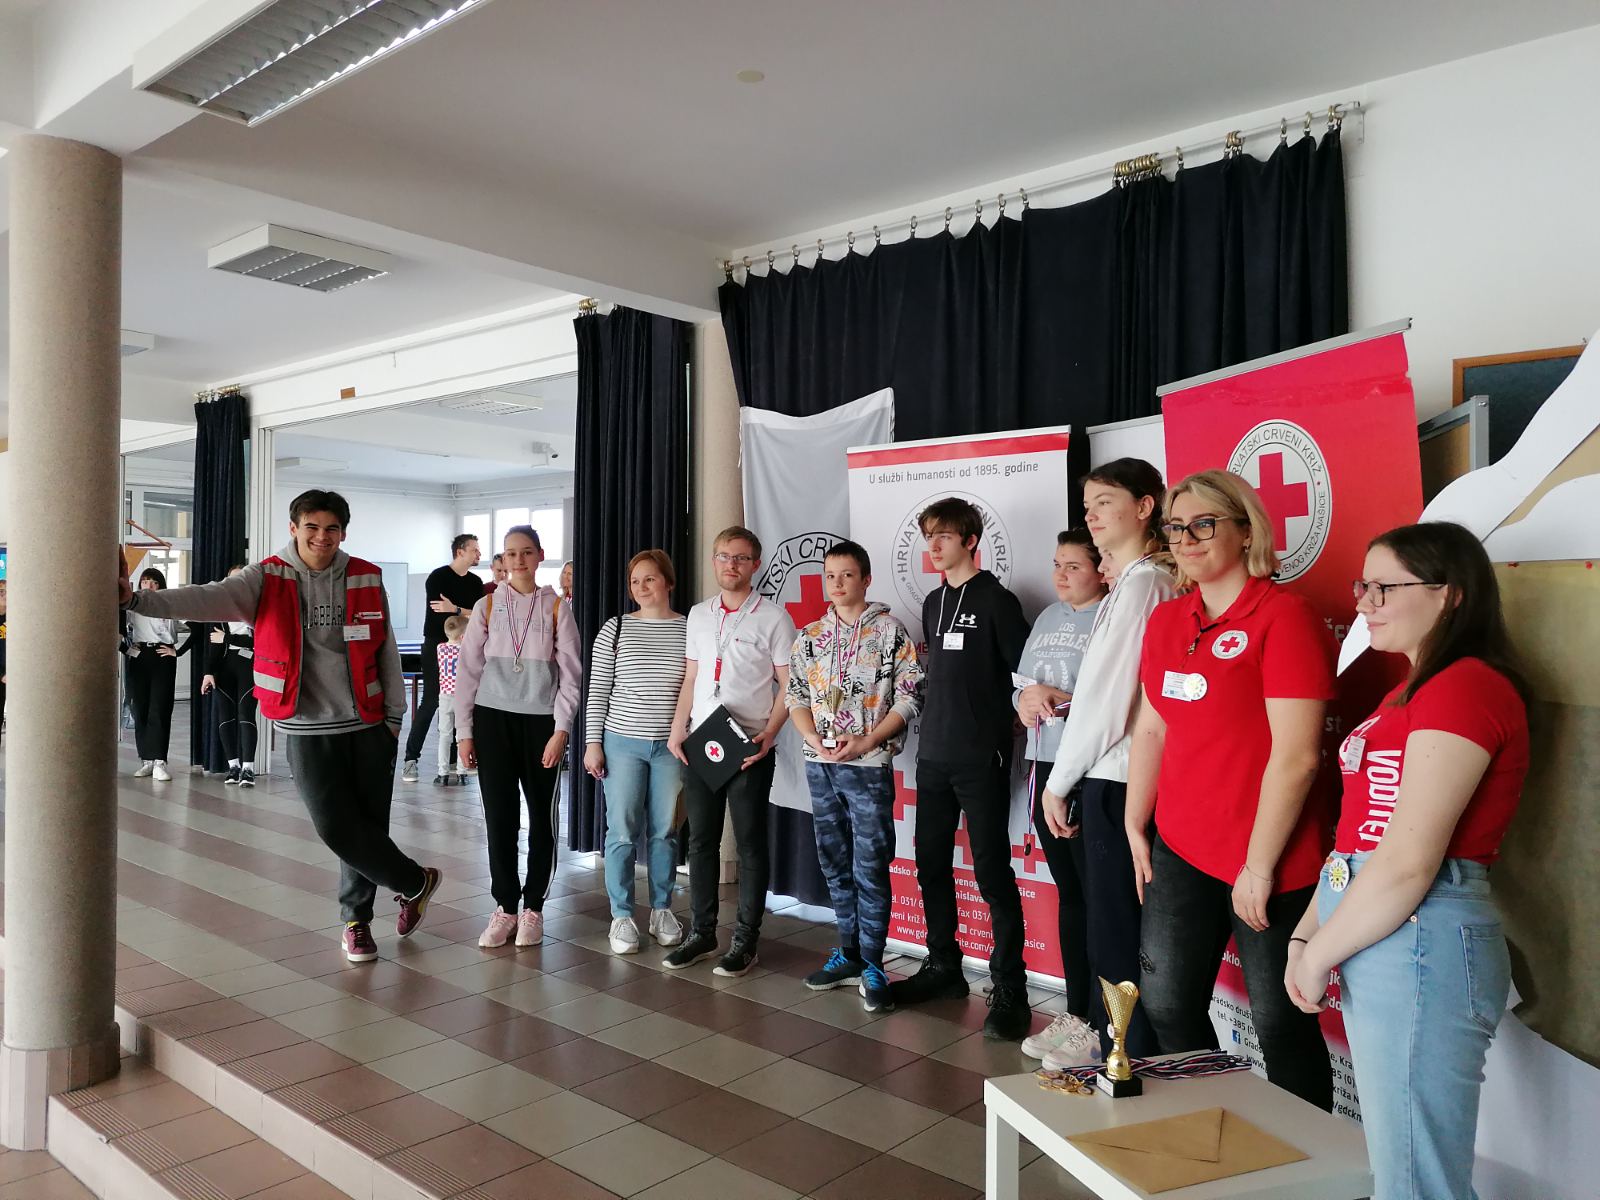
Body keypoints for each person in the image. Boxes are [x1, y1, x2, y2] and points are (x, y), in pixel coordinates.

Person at [1287, 523, 1528, 1199]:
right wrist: (1308, 934)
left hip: (1420, 935)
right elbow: (1358, 839)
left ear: (1450, 594)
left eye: (1385, 587)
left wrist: (1316, 951)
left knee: (1417, 1181)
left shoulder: (1466, 687)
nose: (1365, 602)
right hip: (1387, 932)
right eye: (1362, 586)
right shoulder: (1411, 691)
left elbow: (1407, 862)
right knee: (1406, 1171)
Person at [119, 490, 443, 963]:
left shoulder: (364, 576)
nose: (322, 537)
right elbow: (206, 597)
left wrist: (395, 718)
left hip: (367, 724)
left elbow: (385, 648)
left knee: (369, 827)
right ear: (294, 528)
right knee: (335, 826)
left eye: (331, 529)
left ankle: (356, 922)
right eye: (312, 527)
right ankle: (416, 882)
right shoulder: (266, 577)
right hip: (306, 724)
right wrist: (138, 600)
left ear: (343, 532)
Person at [1127, 469, 1334, 1109]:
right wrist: (1136, 822)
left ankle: (1305, 1155)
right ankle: (1217, 1120)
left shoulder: (1285, 617)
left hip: (1270, 859)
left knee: (1281, 1023)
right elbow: (1153, 727)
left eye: (1203, 524)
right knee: (1166, 1004)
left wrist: (1259, 866)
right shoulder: (1168, 620)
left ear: (1246, 531)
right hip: (1181, 846)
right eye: (1175, 527)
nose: (1185, 539)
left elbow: (1297, 758)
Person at [1034, 458, 1174, 1068]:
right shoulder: (1137, 583)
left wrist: (1059, 780)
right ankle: (1105, 1037)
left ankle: (1123, 1054)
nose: (1091, 516)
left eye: (1105, 503)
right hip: (1109, 773)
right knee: (1105, 921)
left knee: (1117, 928)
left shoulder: (1146, 585)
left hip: (1118, 776)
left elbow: (1108, 698)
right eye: (1087, 505)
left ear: (1145, 507)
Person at [892, 497, 1033, 1041]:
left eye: (944, 536)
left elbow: (1025, 675)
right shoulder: (933, 601)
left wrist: (1006, 722)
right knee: (930, 864)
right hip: (933, 756)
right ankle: (943, 967)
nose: (933, 545)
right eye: (929, 536)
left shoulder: (997, 600)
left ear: (970, 541)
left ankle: (1010, 988)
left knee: (992, 873)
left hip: (981, 758)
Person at [786, 540, 924, 1013]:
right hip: (820, 764)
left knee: (870, 864)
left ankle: (873, 963)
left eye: (846, 574)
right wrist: (812, 736)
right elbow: (795, 696)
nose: (837, 583)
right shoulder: (810, 636)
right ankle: (847, 952)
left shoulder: (890, 632)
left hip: (868, 764)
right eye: (830, 575)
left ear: (865, 579)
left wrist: (867, 741)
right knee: (833, 860)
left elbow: (911, 696)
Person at [665, 526, 796, 976]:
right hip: (703, 741)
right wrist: (678, 729)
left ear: (755, 565)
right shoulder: (699, 614)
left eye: (740, 558)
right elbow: (692, 676)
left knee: (749, 844)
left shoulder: (774, 618)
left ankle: (745, 940)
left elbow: (789, 684)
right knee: (700, 841)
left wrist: (770, 734)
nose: (730, 565)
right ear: (714, 560)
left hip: (749, 744)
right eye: (723, 556)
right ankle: (702, 933)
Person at [456, 525, 581, 949]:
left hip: (540, 724)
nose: (519, 560)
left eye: (526, 552)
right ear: (503, 560)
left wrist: (561, 729)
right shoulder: (487, 605)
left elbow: (571, 677)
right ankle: (506, 906)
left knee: (542, 819)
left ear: (540, 555)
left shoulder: (557, 608)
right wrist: (465, 732)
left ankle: (534, 908)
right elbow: (468, 672)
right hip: (492, 721)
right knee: (500, 818)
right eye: (511, 554)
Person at [1012, 528, 1105, 1058]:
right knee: (1070, 894)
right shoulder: (1047, 617)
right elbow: (1022, 687)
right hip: (1045, 765)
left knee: (1099, 898)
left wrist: (1057, 698)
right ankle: (1075, 1011)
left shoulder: (1111, 615)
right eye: (1057, 564)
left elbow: (1116, 699)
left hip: (1093, 769)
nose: (1061, 575)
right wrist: (1025, 700)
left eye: (1073, 565)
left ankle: (1101, 1022)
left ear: (1100, 569)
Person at [583, 549, 688, 956]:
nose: (641, 587)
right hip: (622, 742)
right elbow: (598, 690)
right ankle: (622, 915)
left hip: (670, 747)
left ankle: (662, 909)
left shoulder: (688, 629)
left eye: (650, 579)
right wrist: (593, 743)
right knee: (623, 832)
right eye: (635, 581)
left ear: (668, 582)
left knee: (665, 831)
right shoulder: (616, 629)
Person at [403, 533, 486, 782]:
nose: (479, 554)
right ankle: (410, 759)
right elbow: (445, 619)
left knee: (461, 701)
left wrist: (456, 609)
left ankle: (453, 760)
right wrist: (463, 613)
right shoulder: (438, 577)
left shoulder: (476, 582)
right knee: (431, 700)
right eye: (474, 550)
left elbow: (478, 614)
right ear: (460, 552)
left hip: (466, 647)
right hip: (437, 645)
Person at [122, 567, 193, 781]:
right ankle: (146, 759)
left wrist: (178, 651)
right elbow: (117, 626)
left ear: (160, 585)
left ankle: (160, 760)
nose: (149, 586)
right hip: (140, 654)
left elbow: (195, 626)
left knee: (159, 708)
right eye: (145, 581)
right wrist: (127, 650)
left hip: (163, 655)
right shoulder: (133, 604)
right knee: (140, 708)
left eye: (154, 582)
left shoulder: (169, 603)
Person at [200, 564, 258, 786]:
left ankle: (248, 769)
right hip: (224, 667)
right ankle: (233, 766)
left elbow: (258, 640)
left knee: (246, 714)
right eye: (233, 579)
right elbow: (214, 643)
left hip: (249, 665)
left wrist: (228, 639)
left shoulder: (256, 605)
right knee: (225, 716)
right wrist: (208, 672)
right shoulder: (221, 607)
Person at [433, 614, 468, 785]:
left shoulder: (440, 648)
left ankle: (442, 774)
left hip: (445, 696)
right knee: (462, 736)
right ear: (462, 636)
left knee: (444, 736)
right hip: (462, 697)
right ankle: (462, 773)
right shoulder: (465, 650)